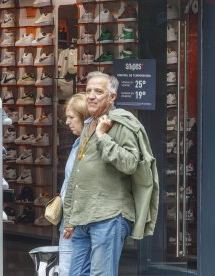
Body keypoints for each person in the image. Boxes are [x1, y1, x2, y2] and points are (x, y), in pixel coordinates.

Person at [63, 71, 159, 276]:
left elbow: (131, 163)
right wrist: (70, 217)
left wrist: (102, 137)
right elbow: (77, 174)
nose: (91, 95)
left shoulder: (122, 122)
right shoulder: (88, 124)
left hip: (108, 216)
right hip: (82, 217)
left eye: (98, 91)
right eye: (88, 91)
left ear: (112, 97)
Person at [59, 93, 90, 276]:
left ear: (83, 117)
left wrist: (71, 220)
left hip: (75, 220)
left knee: (68, 268)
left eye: (71, 117)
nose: (68, 122)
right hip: (71, 218)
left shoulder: (85, 147)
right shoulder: (78, 143)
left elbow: (80, 185)